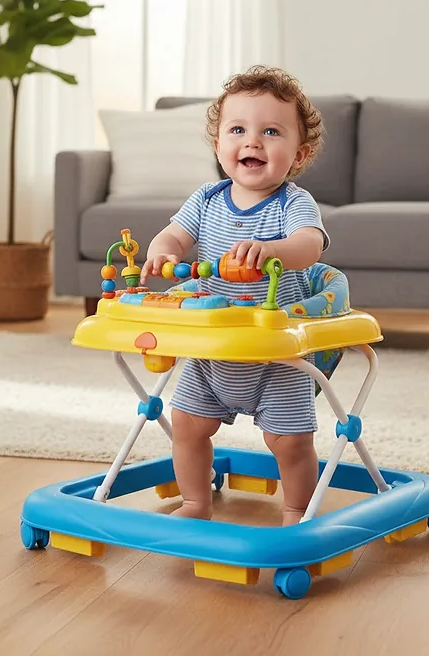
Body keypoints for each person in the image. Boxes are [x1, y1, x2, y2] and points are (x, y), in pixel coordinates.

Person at [140, 65, 329, 526]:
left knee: (291, 441)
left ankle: (297, 510)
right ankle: (195, 502)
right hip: (212, 352)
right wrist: (163, 251)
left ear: (299, 154)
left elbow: (311, 245)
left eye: (271, 131)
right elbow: (175, 236)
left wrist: (274, 251)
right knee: (185, 426)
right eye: (238, 129)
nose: (253, 142)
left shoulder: (293, 203)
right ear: (219, 144)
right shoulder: (206, 199)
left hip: (275, 357)